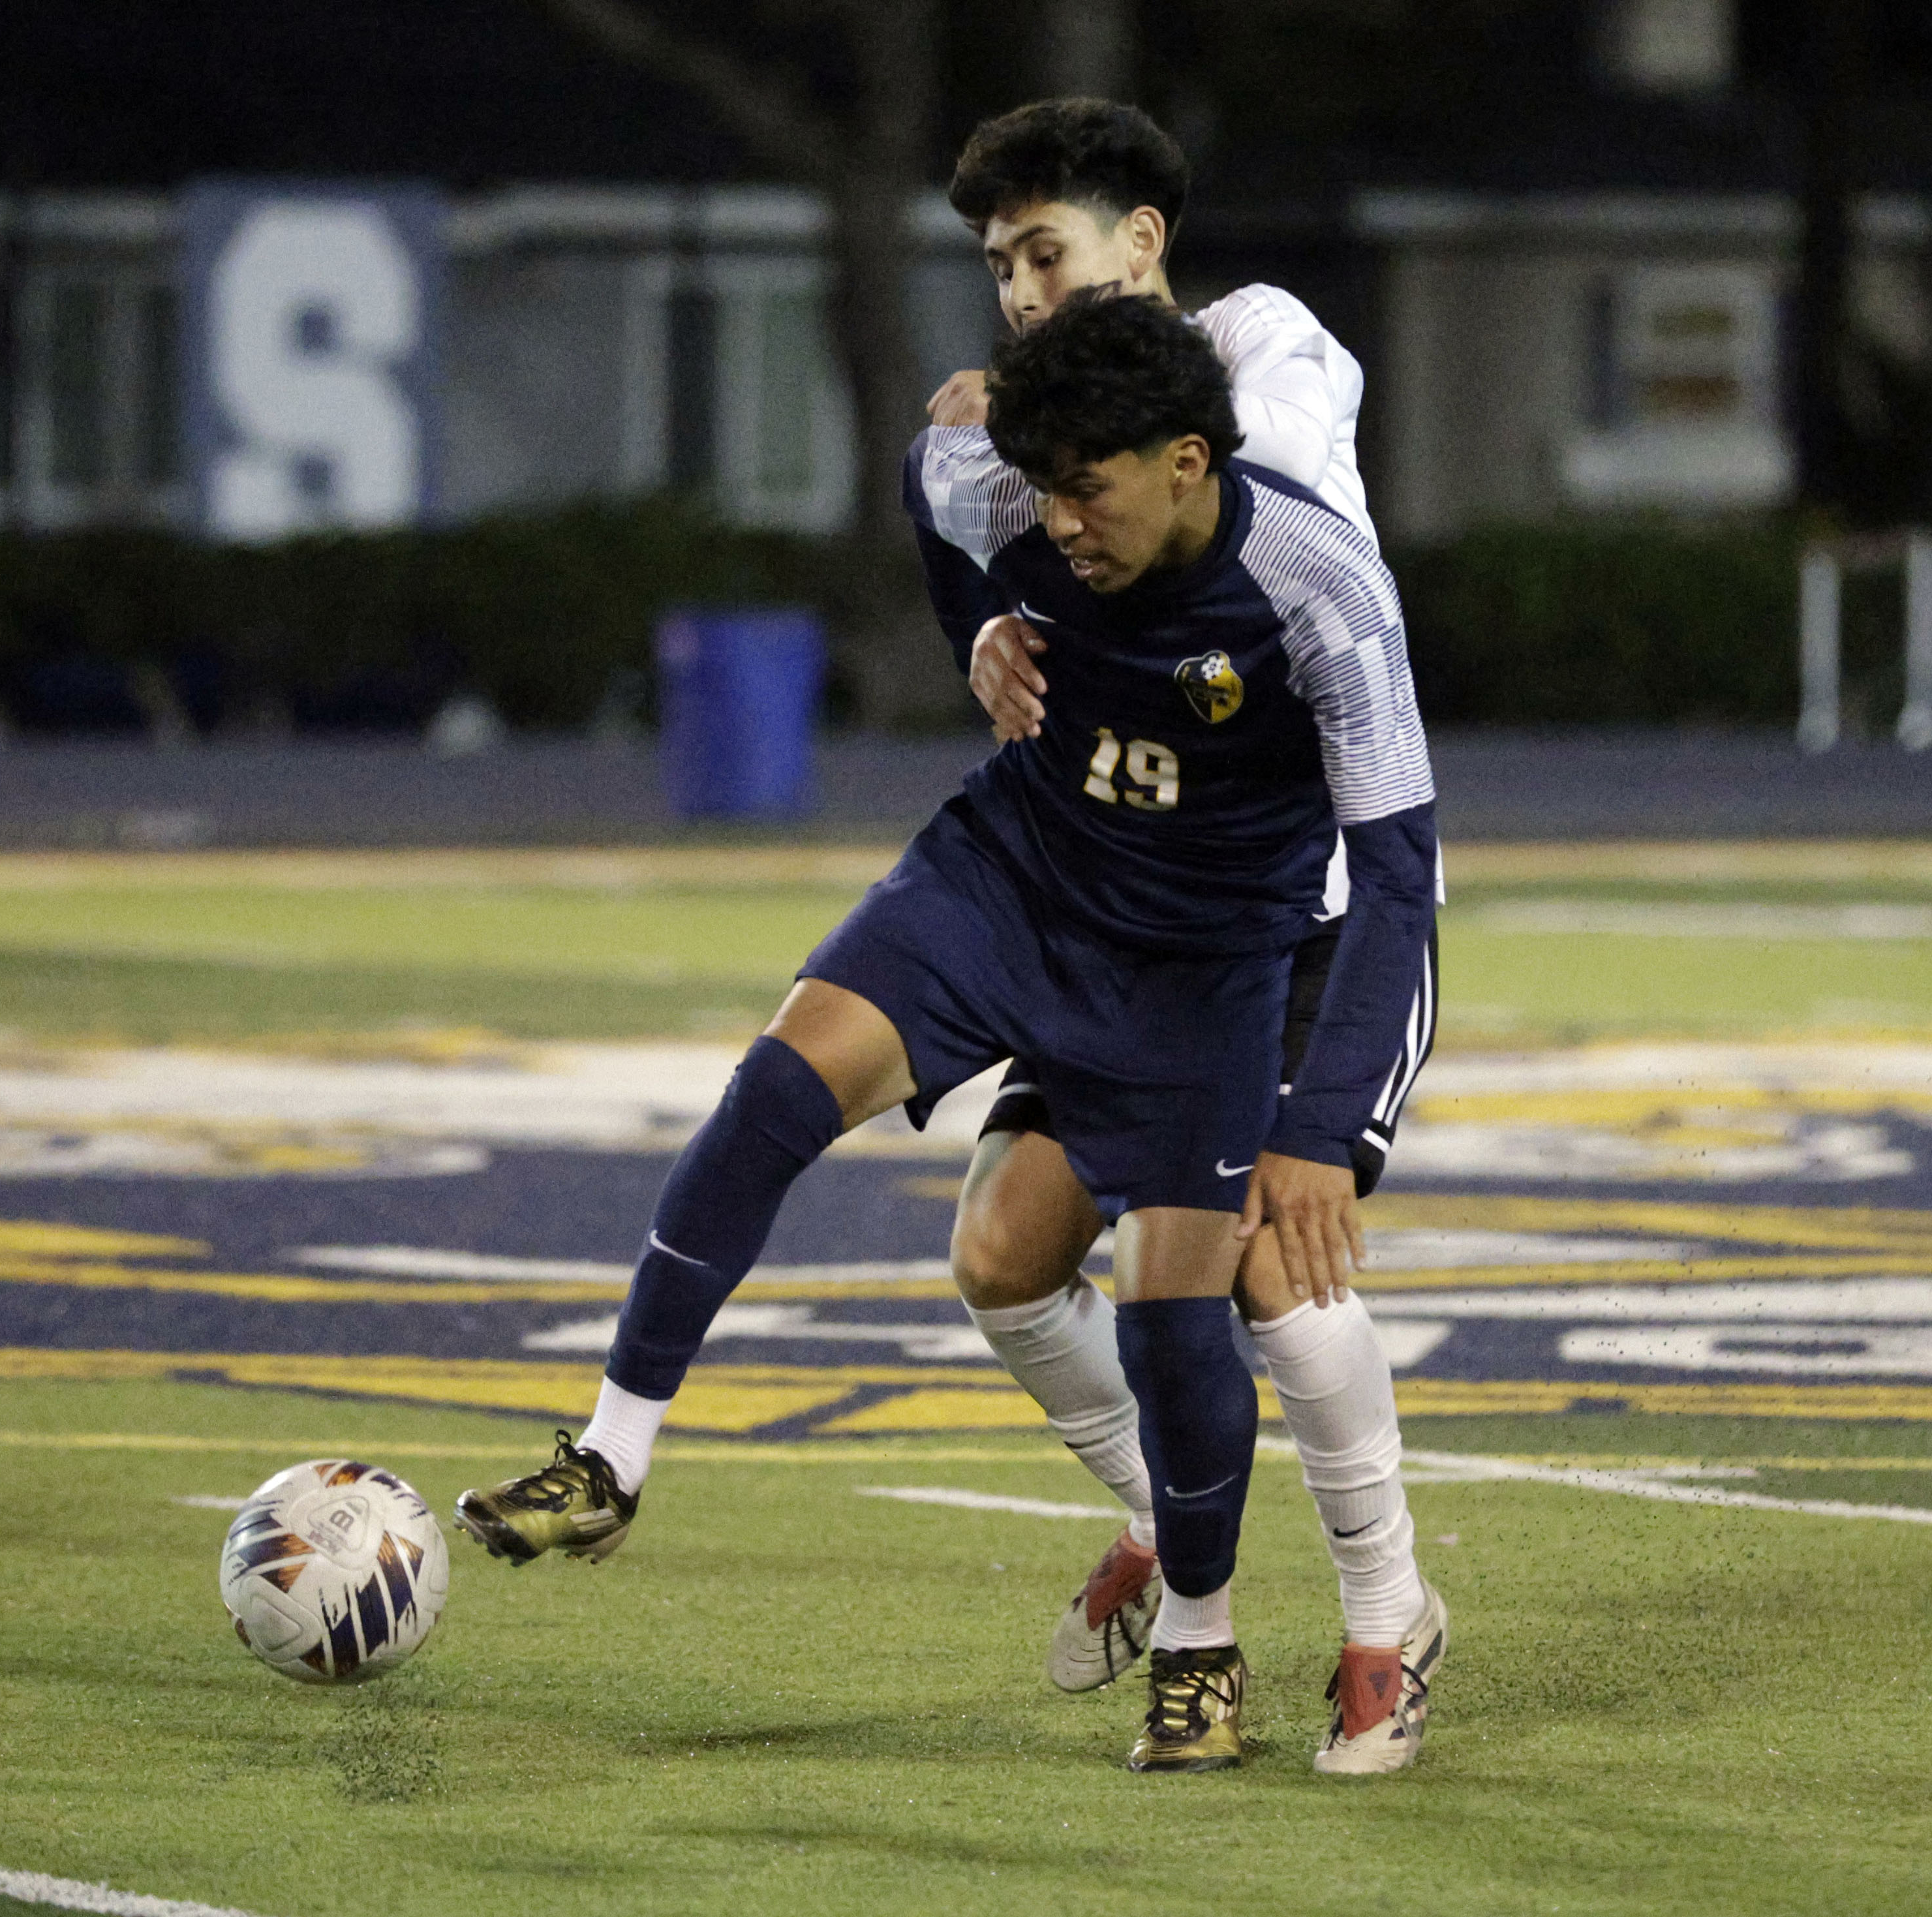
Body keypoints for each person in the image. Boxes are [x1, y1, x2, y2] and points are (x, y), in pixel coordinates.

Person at [459, 295, 1444, 1775]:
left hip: (1206, 957)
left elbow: (1399, 876)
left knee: (1191, 1311)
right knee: (778, 1087)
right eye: (1040, 488)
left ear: (1189, 458)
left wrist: (1321, 1134)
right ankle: (611, 1451)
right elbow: (938, 488)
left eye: (1087, 490)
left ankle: (1205, 1636)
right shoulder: (1005, 481)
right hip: (1016, 877)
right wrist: (975, 626)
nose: (1059, 520)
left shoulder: (1321, 582)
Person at [924, 99, 1440, 1754]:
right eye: (999, 266)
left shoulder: (1261, 358)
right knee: (1003, 1250)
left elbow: (1227, 504)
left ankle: (1388, 1615)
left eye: (1045, 252)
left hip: (1308, 908)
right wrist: (989, 621)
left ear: (1143, 246)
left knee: (1278, 1272)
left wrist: (1016, 472)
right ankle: (1171, 1498)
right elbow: (1011, 557)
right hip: (1142, 914)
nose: (1018, 294)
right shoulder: (1052, 446)